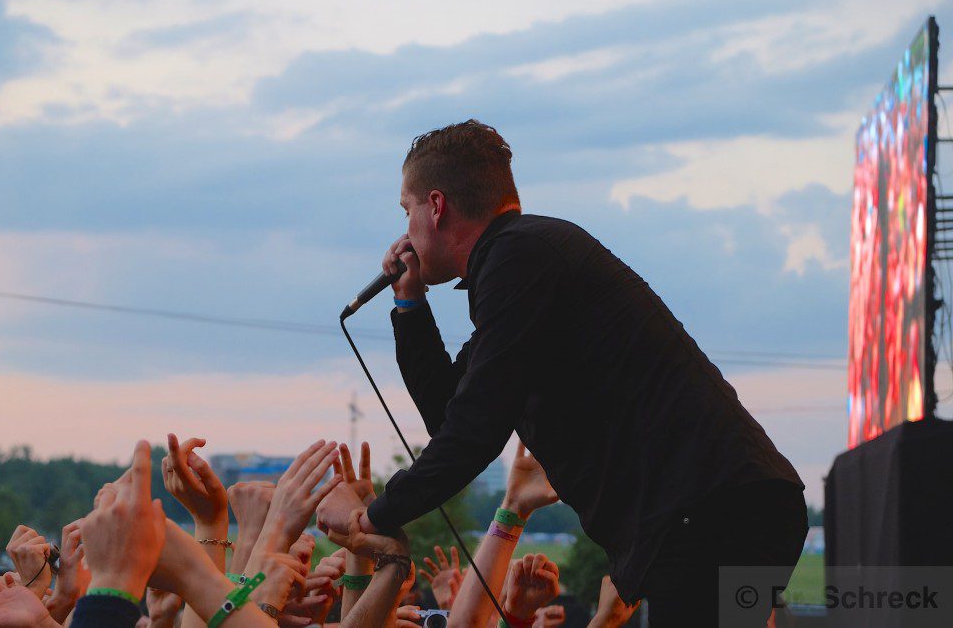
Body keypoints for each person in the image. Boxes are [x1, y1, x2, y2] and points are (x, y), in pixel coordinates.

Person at [317, 119, 808, 625]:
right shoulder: (521, 265)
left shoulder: (521, 257)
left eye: (407, 209)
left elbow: (472, 433)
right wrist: (410, 305)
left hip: (710, 513)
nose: (404, 231)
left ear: (436, 206)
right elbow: (450, 417)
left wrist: (373, 516)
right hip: (722, 510)